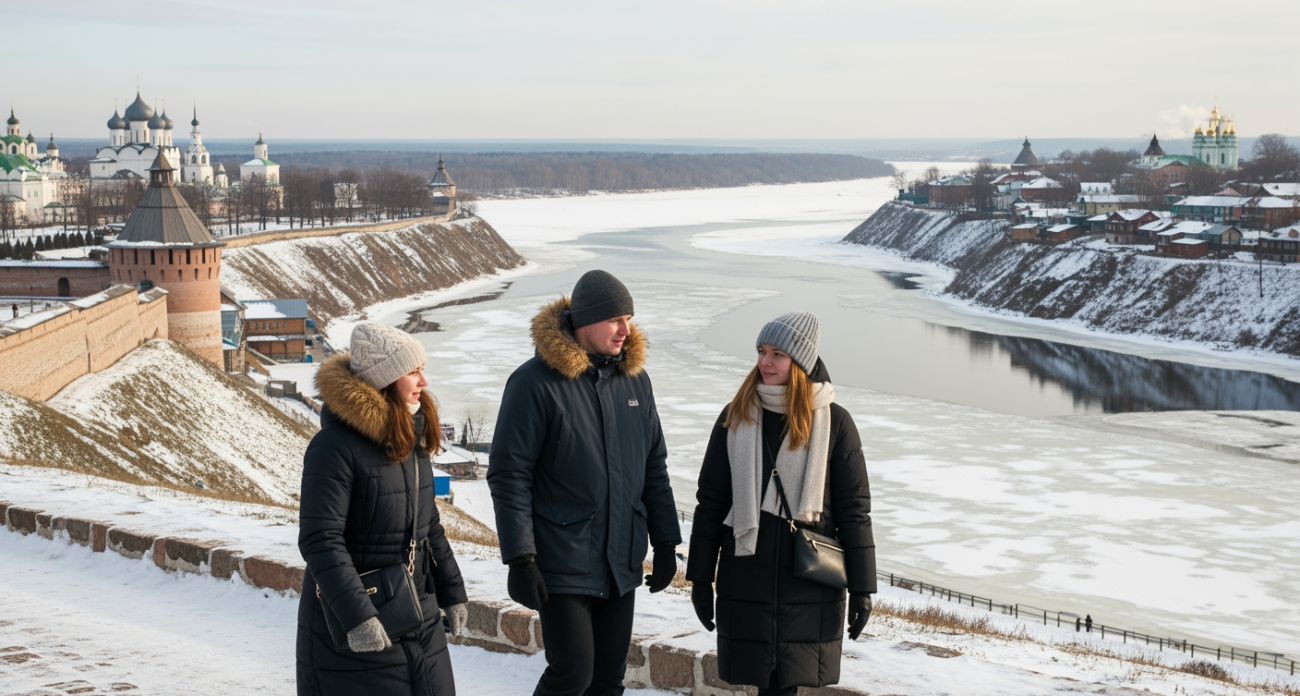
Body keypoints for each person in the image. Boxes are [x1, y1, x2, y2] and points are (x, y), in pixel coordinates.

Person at [489, 270, 681, 696]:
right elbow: (509, 475)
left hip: (620, 559)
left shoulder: (636, 382)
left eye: (629, 319)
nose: (625, 331)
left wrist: (666, 541)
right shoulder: (534, 384)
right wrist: (520, 558)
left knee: (609, 679)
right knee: (573, 672)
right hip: (561, 559)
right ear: (585, 320)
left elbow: (653, 465)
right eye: (616, 320)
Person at [686, 312, 876, 696]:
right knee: (765, 685)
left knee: (785, 687)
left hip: (808, 584)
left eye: (778, 354)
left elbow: (854, 511)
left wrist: (862, 588)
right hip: (746, 576)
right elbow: (710, 503)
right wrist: (701, 578)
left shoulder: (835, 424)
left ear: (801, 362)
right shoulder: (735, 416)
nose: (765, 362)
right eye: (761, 351)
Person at [297, 323, 468, 696]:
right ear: (386, 380)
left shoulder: (410, 437)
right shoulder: (334, 447)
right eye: (413, 371)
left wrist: (452, 591)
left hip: (418, 613)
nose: (424, 381)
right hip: (359, 622)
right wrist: (359, 617)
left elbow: (429, 526)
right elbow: (320, 539)